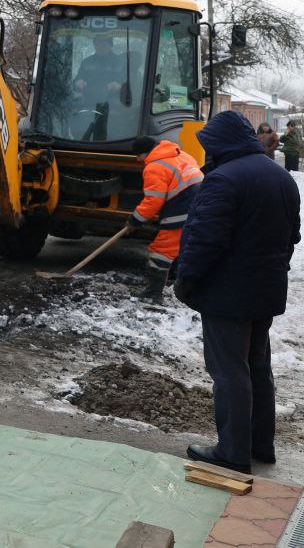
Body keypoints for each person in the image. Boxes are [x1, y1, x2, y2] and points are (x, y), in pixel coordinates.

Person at [173, 111, 300, 473]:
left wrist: (187, 280)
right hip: (266, 291)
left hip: (228, 295)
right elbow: (293, 236)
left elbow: (205, 240)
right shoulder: (281, 177)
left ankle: (232, 451)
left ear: (219, 143)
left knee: (229, 370)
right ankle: (261, 445)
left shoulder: (223, 180)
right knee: (257, 367)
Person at [128, 136, 203, 302]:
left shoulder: (154, 167)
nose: (138, 159)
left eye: (138, 155)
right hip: (200, 207)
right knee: (188, 248)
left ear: (145, 153)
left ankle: (154, 293)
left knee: (162, 251)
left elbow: (153, 200)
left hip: (182, 210)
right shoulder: (182, 155)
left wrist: (135, 219)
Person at [74, 35, 126, 103]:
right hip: (88, 101)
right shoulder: (86, 62)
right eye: (97, 45)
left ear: (111, 46)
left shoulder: (121, 63)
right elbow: (78, 78)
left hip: (114, 103)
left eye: (103, 45)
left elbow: (128, 84)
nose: (99, 47)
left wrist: (119, 87)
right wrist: (78, 82)